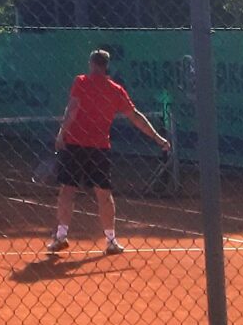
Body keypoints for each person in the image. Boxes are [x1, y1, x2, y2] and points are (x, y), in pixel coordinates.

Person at [49, 48, 171, 255]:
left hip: (75, 145)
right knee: (104, 194)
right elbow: (135, 117)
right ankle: (111, 241)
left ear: (91, 64)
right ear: (107, 67)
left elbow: (72, 109)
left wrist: (62, 133)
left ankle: (61, 236)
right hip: (99, 149)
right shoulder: (116, 90)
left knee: (67, 191)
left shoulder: (81, 82)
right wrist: (157, 138)